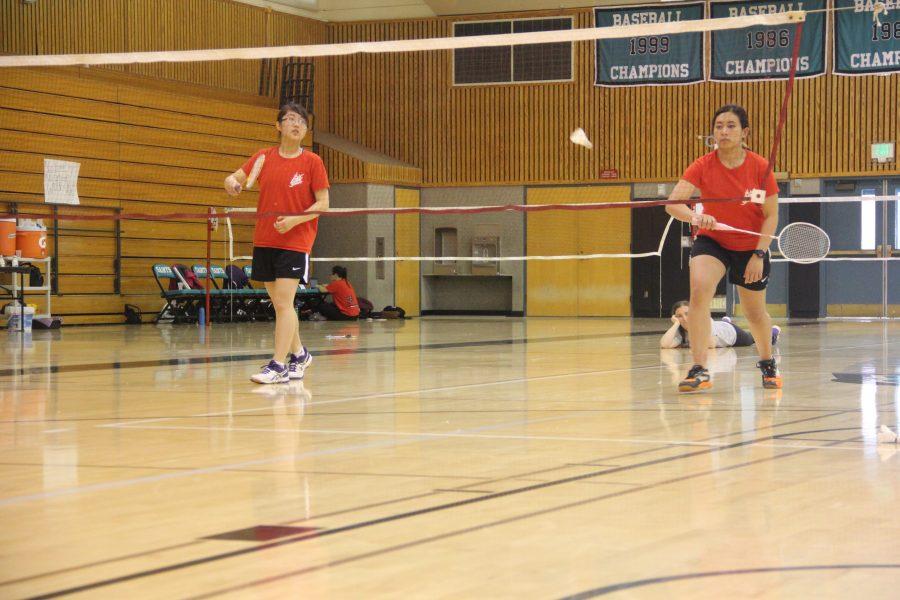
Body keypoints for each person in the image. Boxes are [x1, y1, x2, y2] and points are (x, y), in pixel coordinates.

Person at [665, 104, 782, 392]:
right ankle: (700, 368)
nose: (724, 131)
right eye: (719, 126)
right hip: (713, 239)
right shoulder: (702, 164)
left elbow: (771, 216)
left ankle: (768, 363)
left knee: (754, 313)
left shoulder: (760, 168)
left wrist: (758, 254)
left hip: (749, 245)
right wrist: (694, 215)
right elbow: (672, 204)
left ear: (745, 132)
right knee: (698, 294)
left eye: (731, 125)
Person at [224, 102, 329, 384]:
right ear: (278, 125)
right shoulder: (264, 157)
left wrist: (295, 221)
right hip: (265, 238)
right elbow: (233, 178)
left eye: (302, 122)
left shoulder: (312, 162)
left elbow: (323, 203)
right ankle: (300, 354)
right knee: (281, 303)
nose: (297, 125)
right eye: (291, 119)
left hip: (296, 240)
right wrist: (232, 184)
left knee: (283, 302)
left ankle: (278, 365)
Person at [660, 300, 780, 349]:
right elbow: (665, 345)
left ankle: (773, 333)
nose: (685, 319)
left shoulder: (704, 323)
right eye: (679, 316)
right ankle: (724, 321)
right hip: (719, 328)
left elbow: (710, 344)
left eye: (687, 314)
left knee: (753, 339)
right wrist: (675, 324)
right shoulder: (679, 328)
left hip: (732, 334)